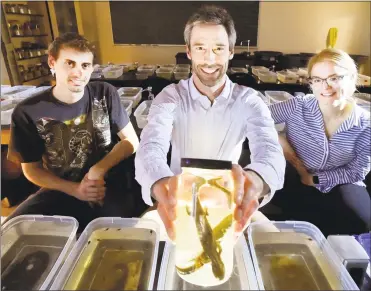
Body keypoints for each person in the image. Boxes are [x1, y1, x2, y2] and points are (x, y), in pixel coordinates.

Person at [135, 5, 285, 240]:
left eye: (218, 48)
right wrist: (163, 184)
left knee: (275, 243)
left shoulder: (249, 100)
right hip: (178, 198)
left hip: (231, 200)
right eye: (200, 48)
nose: (209, 59)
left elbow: (270, 150)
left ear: (231, 51)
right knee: (140, 241)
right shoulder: (170, 97)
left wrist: (253, 182)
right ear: (188, 51)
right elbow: (150, 147)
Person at [5, 33, 142, 230]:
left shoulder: (104, 93)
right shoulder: (27, 111)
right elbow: (31, 169)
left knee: (115, 234)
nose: (79, 72)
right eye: (70, 63)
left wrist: (98, 169)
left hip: (107, 183)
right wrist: (75, 189)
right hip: (60, 187)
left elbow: (131, 141)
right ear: (52, 62)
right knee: (13, 231)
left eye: (85, 65)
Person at [264, 48, 371, 236]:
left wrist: (315, 179)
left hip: (340, 184)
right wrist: (279, 141)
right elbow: (257, 118)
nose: (325, 87)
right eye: (318, 80)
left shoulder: (365, 124)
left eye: (334, 78)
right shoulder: (298, 106)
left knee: (360, 226)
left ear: (353, 79)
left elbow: (358, 171)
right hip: (294, 178)